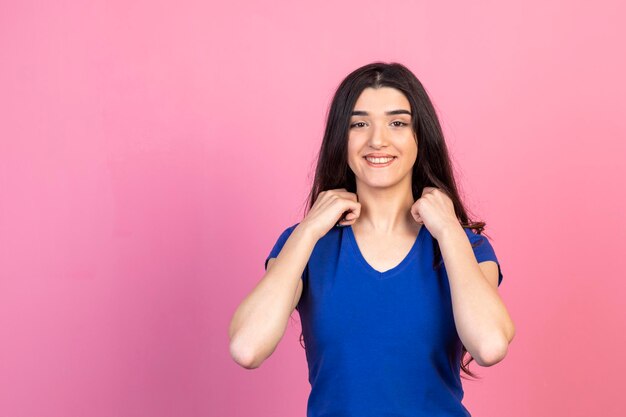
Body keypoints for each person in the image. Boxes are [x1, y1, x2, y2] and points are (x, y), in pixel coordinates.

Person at [229, 62, 515, 416]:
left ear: (420, 138)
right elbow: (246, 348)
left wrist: (448, 230)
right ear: (341, 138)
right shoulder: (305, 246)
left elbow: (489, 346)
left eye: (397, 123)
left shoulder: (464, 246)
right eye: (359, 123)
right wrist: (309, 228)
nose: (377, 139)